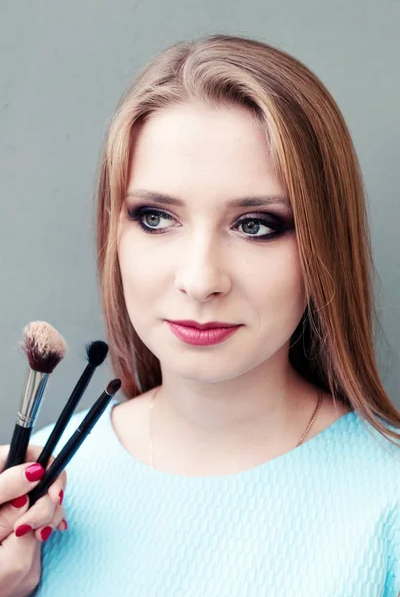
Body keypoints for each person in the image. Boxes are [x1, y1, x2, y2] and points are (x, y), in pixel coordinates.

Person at [0, 33, 399, 597]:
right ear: (113, 232)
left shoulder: (387, 501)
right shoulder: (37, 493)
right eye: (157, 218)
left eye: (256, 224)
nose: (201, 279)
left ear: (324, 248)